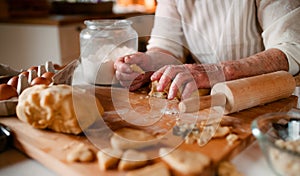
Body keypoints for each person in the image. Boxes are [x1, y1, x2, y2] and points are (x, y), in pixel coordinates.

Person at [114, 0, 300, 100]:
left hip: (273, 101)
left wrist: (221, 71)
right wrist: (149, 63)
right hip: (211, 103)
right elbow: (167, 47)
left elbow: (291, 49)